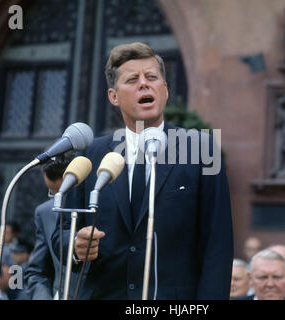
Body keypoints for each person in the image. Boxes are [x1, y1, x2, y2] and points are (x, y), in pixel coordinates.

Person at [52, 42, 233, 300]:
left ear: (165, 90)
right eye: (132, 79)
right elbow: (61, 232)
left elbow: (218, 245)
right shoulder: (92, 154)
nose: (144, 84)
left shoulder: (200, 148)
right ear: (113, 96)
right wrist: (75, 247)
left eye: (152, 77)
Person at [24, 151, 79, 300]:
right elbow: (37, 272)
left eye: (66, 194)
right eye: (53, 194)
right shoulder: (45, 212)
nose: (58, 203)